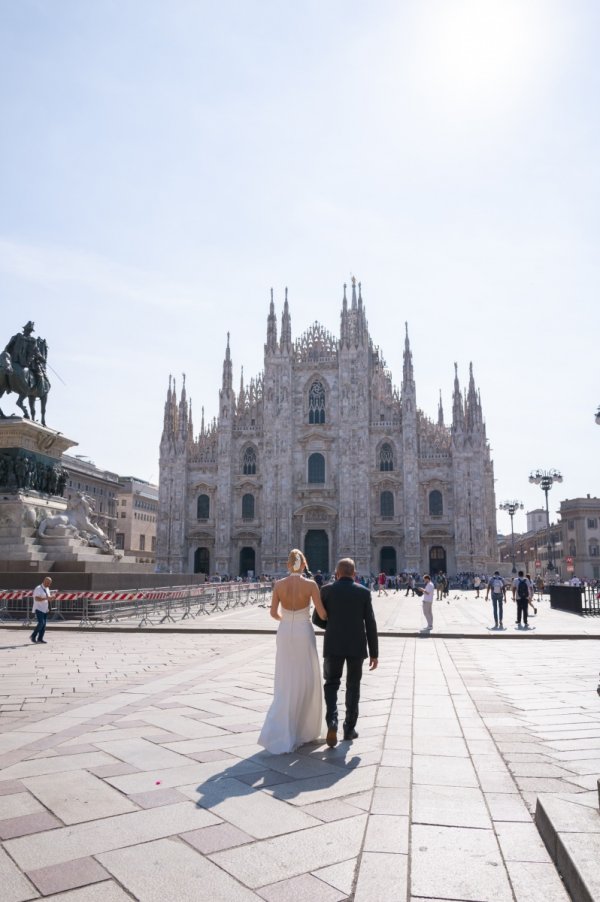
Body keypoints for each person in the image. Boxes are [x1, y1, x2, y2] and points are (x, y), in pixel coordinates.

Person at [258, 549, 328, 754]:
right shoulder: (311, 584)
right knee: (307, 677)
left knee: (285, 679)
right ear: (304, 564)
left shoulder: (279, 585)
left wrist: (287, 620)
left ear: (289, 565)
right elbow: (322, 613)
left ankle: (281, 729)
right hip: (303, 632)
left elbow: (273, 613)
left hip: (285, 632)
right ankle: (304, 729)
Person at [313, 557, 378, 747]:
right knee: (353, 686)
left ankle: (332, 721)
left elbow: (316, 618)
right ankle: (349, 728)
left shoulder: (326, 590)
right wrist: (374, 653)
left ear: (337, 573)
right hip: (356, 646)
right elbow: (371, 624)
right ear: (355, 574)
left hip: (333, 644)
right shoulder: (364, 593)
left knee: (331, 684)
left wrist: (331, 626)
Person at [31, 576, 53, 643]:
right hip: (39, 608)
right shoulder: (38, 588)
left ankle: (40, 639)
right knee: (41, 623)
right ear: (44, 581)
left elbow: (47, 597)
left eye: (50, 583)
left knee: (44, 625)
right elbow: (36, 598)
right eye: (48, 583)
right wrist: (46, 598)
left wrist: (51, 598)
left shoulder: (47, 588)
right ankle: (33, 636)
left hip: (45, 609)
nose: (49, 585)